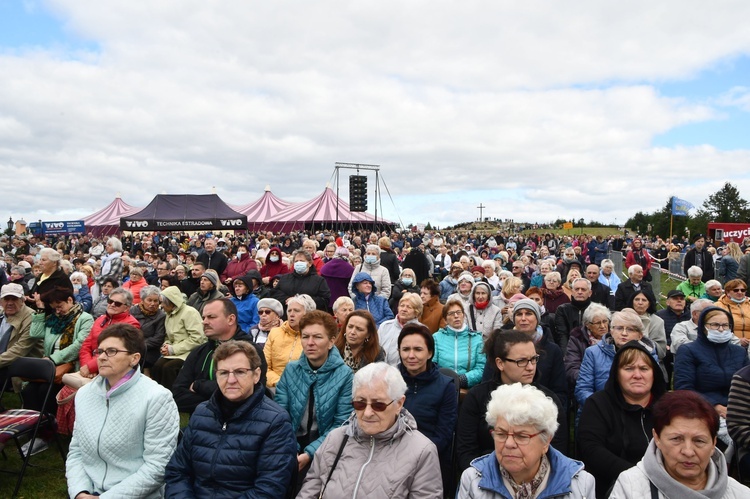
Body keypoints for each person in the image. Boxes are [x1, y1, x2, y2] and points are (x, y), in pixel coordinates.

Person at [165, 340, 296, 497]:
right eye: (224, 373)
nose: (231, 380)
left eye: (240, 372)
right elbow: (177, 472)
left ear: (256, 375)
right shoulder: (201, 413)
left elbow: (269, 489)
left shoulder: (276, 422)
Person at [66, 323, 180, 499]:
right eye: (99, 351)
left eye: (111, 351)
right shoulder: (84, 394)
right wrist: (80, 491)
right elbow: (76, 452)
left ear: (134, 358)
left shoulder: (157, 398)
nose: (102, 357)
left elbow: (158, 466)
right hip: (88, 490)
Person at [297, 362, 442, 498]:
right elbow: (309, 492)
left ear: (399, 403)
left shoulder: (422, 451)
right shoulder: (336, 438)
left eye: (378, 405)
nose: (367, 413)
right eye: (360, 404)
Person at [458, 383, 595, 499]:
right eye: (501, 434)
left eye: (521, 436)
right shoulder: (473, 480)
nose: (509, 444)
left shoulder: (580, 484)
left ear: (546, 441)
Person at [458, 331, 568, 472]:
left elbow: (558, 451)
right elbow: (466, 450)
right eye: (521, 361)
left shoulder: (547, 400)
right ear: (500, 363)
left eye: (534, 359)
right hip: (484, 477)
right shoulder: (477, 397)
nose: (530, 367)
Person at [611, 390, 746, 497]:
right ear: (657, 437)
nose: (688, 451)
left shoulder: (740, 494)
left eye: (699, 441)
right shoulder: (630, 487)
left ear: (713, 443)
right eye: (676, 439)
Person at [578, 339, 667, 497]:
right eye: (629, 368)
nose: (637, 375)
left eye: (644, 368)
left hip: (666, 486)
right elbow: (591, 450)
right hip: (613, 486)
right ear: (616, 374)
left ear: (654, 373)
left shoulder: (668, 406)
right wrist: (637, 477)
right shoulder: (598, 404)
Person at [275, 311, 353, 481]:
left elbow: (341, 424)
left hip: (326, 447)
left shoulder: (345, 375)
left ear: (331, 341)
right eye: (305, 336)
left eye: (317, 337)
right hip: (289, 444)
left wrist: (310, 453)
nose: (310, 343)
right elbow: (280, 415)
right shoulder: (291, 370)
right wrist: (291, 448)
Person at [172, 298, 267, 414]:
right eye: (203, 318)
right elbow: (178, 396)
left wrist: (200, 386)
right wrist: (223, 401)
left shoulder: (252, 352)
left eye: (211, 317)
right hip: (203, 424)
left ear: (231, 319)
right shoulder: (198, 353)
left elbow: (254, 394)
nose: (204, 322)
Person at [674, 306, 748, 435]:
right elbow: (684, 388)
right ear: (703, 326)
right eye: (715, 325)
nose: (721, 329)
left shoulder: (739, 352)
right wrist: (715, 406)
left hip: (739, 410)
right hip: (703, 410)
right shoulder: (688, 351)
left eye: (725, 325)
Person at [398, 323, 457, 473]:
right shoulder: (390, 380)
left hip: (428, 458)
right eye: (405, 349)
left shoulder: (446, 386)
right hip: (391, 453)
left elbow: (443, 436)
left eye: (418, 349)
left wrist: (413, 456)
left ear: (430, 353)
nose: (411, 355)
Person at [575, 308, 660, 412]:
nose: (624, 333)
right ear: (611, 331)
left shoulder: (649, 354)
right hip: (601, 412)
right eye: (619, 328)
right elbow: (583, 389)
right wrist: (602, 408)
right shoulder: (592, 353)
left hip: (638, 412)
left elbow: (657, 389)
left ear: (640, 335)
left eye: (630, 329)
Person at [151, 286, 206, 391]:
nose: (161, 306)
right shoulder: (169, 314)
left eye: (162, 303)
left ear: (171, 303)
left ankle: (173, 395)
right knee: (157, 366)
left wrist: (173, 349)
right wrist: (166, 346)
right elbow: (168, 336)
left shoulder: (190, 312)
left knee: (169, 368)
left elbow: (197, 338)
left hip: (189, 352)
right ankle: (157, 394)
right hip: (175, 351)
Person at [433, 296, 486, 389]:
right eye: (451, 313)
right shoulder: (436, 337)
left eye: (458, 312)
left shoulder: (476, 338)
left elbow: (481, 367)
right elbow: (432, 365)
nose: (456, 316)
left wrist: (463, 380)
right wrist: (446, 380)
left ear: (463, 315)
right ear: (445, 319)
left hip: (468, 389)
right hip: (442, 387)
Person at [264, 293, 316, 388]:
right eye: (289, 310)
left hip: (303, 389)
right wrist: (280, 382)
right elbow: (264, 366)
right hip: (274, 387)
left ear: (308, 314)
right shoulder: (274, 333)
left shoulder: (315, 338)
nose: (291, 314)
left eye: (296, 311)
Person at [0, 283, 43, 390]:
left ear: (23, 300)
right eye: (6, 299)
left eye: (14, 299)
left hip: (20, 366)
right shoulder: (2, 314)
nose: (9, 303)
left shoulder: (32, 317)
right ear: (1, 301)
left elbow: (19, 350)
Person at [563, 302, 610, 394]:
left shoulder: (614, 338)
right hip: (587, 386)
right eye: (598, 323)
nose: (603, 326)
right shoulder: (577, 339)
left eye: (605, 321)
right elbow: (571, 368)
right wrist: (590, 381)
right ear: (588, 325)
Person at [378, 292, 425, 366]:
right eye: (402, 306)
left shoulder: (422, 330)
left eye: (409, 307)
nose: (404, 309)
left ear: (417, 312)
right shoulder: (385, 326)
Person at [130, 285, 166, 370]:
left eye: (155, 301)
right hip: (131, 346)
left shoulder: (161, 316)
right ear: (142, 301)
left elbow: (158, 338)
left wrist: (140, 345)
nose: (153, 304)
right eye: (149, 300)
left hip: (149, 349)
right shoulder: (132, 311)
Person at [29, 247, 74, 315]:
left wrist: (41, 302)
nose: (40, 263)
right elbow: (33, 292)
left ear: (54, 263)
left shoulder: (62, 279)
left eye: (43, 260)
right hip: (36, 313)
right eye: (40, 259)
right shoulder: (40, 276)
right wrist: (27, 296)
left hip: (52, 316)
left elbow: (63, 301)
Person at [553, 277, 592, 355]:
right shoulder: (562, 309)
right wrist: (566, 356)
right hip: (569, 351)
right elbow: (562, 335)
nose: (580, 292)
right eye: (577, 289)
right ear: (572, 292)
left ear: (590, 293)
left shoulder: (596, 310)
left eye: (583, 289)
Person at [629, 289, 668, 362]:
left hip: (649, 359)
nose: (640, 303)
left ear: (649, 304)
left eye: (644, 300)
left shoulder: (658, 322)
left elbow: (661, 350)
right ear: (632, 302)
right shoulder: (623, 318)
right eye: (637, 299)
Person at [716, 278, 750, 348]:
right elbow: (716, 327)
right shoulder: (718, 306)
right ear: (727, 292)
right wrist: (737, 340)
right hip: (729, 344)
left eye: (743, 290)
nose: (740, 292)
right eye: (736, 290)